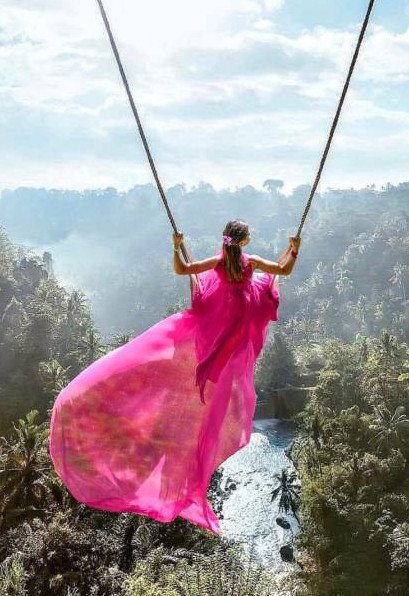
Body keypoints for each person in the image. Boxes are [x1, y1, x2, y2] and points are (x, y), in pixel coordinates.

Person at [49, 219, 301, 535]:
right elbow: (283, 270)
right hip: (240, 321)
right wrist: (293, 250)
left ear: (226, 240)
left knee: (208, 353)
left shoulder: (219, 262)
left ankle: (209, 372)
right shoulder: (252, 263)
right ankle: (216, 374)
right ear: (245, 241)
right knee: (235, 350)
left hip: (220, 321)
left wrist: (176, 247)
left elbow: (183, 269)